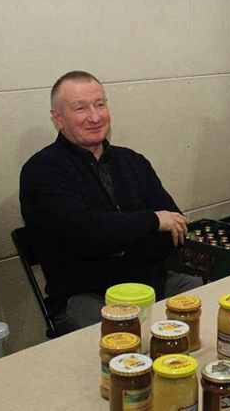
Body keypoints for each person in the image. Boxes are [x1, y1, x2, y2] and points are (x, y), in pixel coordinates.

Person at [20, 71, 202, 331]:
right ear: (58, 118)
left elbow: (175, 227)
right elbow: (84, 235)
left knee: (204, 301)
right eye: (80, 108)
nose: (95, 117)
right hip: (87, 295)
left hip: (152, 285)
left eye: (100, 104)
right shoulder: (42, 171)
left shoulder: (133, 161)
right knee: (122, 334)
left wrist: (117, 234)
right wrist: (151, 222)